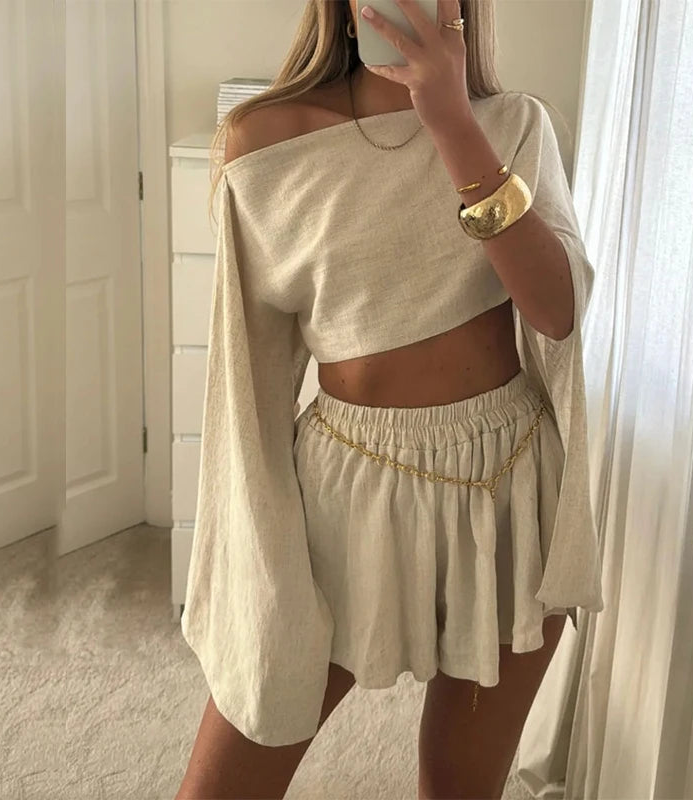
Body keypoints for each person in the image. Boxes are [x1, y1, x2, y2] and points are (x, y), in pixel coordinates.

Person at [176, 0, 604, 798]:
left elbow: (557, 312)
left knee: (460, 788)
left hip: (508, 489)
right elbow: (246, 373)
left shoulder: (515, 125)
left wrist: (452, 123)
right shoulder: (264, 141)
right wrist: (255, 544)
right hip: (346, 495)